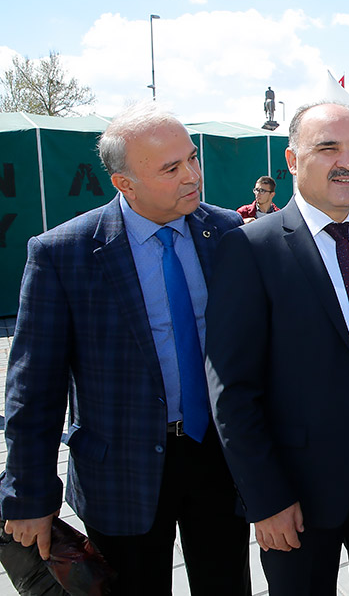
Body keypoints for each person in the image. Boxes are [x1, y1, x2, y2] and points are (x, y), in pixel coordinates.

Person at [0, 102, 250, 596]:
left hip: (218, 458)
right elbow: (33, 387)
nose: (192, 176)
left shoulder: (227, 234)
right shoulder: (62, 254)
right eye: (171, 168)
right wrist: (29, 494)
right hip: (120, 469)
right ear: (124, 184)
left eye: (192, 159)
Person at [205, 102, 349, 596]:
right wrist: (265, 498)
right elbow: (233, 391)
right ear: (292, 160)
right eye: (328, 148)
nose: (347, 162)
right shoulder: (251, 249)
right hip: (296, 492)